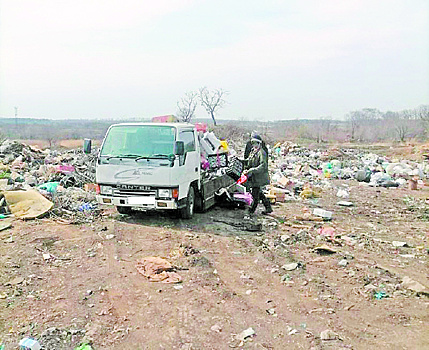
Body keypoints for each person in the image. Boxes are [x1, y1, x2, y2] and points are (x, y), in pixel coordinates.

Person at [242, 134, 273, 217]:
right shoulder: (253, 151)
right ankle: (268, 207)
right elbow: (249, 160)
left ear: (259, 144)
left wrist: (252, 170)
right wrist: (242, 161)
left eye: (256, 143)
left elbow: (263, 166)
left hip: (260, 177)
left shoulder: (261, 153)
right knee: (259, 192)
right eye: (253, 143)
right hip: (255, 176)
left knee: (255, 194)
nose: (254, 145)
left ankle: (251, 210)